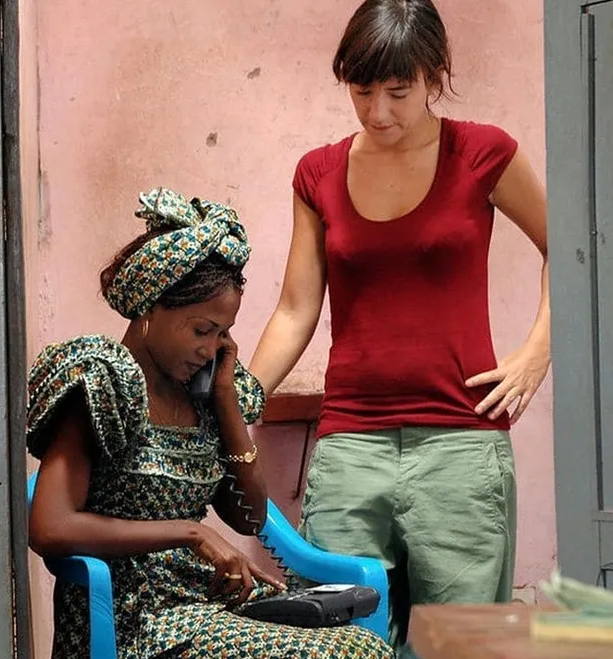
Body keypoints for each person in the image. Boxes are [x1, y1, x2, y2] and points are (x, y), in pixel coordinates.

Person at [249, 0, 549, 650]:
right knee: (341, 641)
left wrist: (536, 353)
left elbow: (575, 248)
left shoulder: (484, 154)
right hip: (351, 444)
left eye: (398, 90)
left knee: (462, 643)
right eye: (362, 90)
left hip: (462, 446)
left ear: (435, 74)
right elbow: (297, 308)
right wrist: (239, 396)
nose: (378, 111)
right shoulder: (316, 174)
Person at [27, 187, 392, 658]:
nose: (210, 348)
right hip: (134, 615)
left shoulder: (205, 398)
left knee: (362, 648)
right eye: (201, 330)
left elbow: (249, 517)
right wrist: (190, 530)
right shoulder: (103, 384)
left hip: (207, 602)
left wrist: (225, 402)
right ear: (149, 309)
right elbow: (50, 527)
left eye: (222, 334)